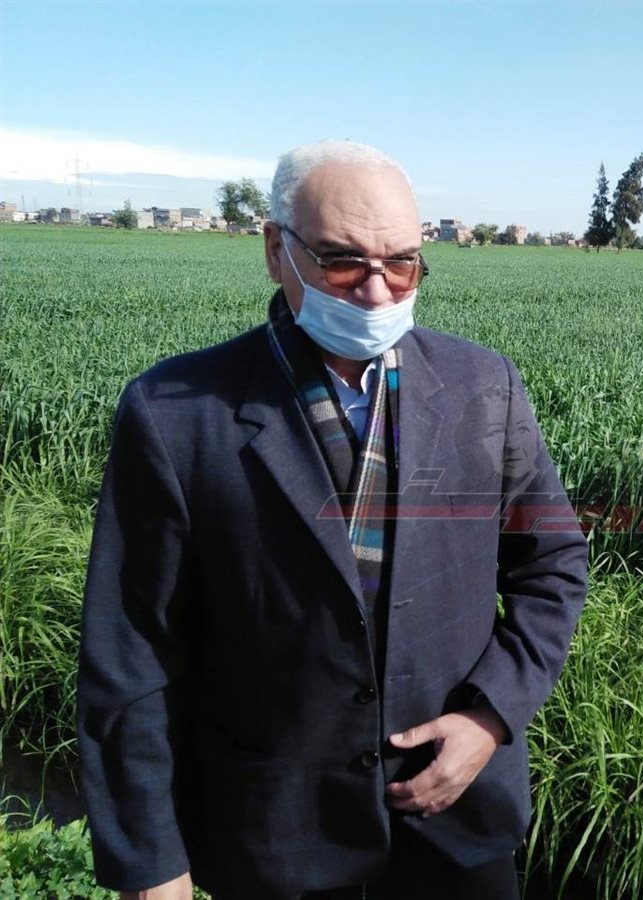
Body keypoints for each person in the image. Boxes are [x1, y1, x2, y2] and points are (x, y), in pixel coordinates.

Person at [76, 140, 589, 900]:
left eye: (402, 263)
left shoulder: (484, 386)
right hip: (276, 835)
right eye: (344, 262)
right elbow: (132, 649)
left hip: (455, 822)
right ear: (275, 250)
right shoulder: (178, 413)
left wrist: (490, 717)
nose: (377, 293)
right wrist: (150, 862)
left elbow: (552, 564)